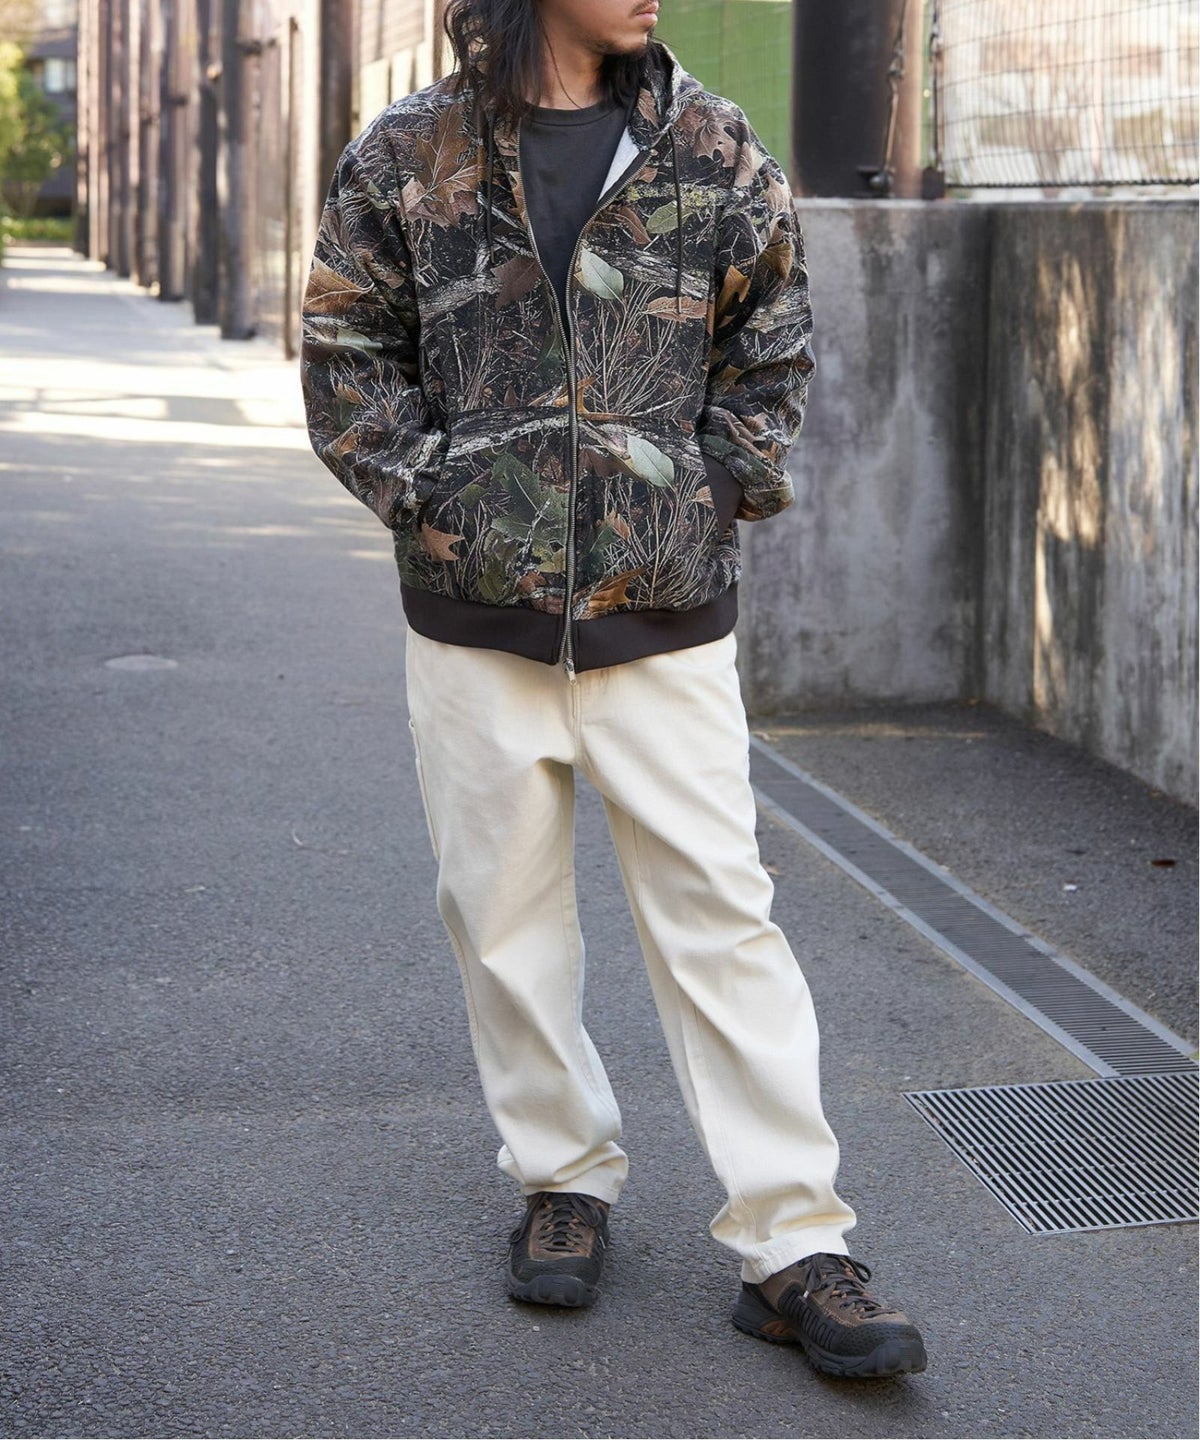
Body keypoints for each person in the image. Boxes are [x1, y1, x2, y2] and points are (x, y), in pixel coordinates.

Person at [300, 0, 927, 1380]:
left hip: (664, 616)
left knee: (724, 921)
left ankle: (793, 1241)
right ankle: (561, 1177)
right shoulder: (408, 154)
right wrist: (446, 505)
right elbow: (347, 357)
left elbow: (774, 337)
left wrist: (711, 494)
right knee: (500, 916)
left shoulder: (710, 142)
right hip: (476, 617)